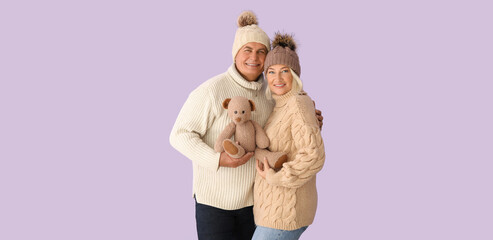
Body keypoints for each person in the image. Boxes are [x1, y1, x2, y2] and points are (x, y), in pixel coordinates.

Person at [169, 11, 322, 240]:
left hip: (256, 204)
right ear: (235, 54)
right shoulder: (212, 90)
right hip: (215, 204)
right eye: (247, 50)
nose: (254, 57)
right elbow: (180, 135)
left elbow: (287, 128)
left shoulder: (271, 93)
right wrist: (218, 159)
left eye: (261, 51)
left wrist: (310, 119)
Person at [252, 32, 325, 240]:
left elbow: (314, 155)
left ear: (294, 75)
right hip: (273, 211)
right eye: (271, 72)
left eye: (284, 71)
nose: (277, 78)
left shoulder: (297, 103)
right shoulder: (280, 104)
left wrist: (276, 177)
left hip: (284, 212)